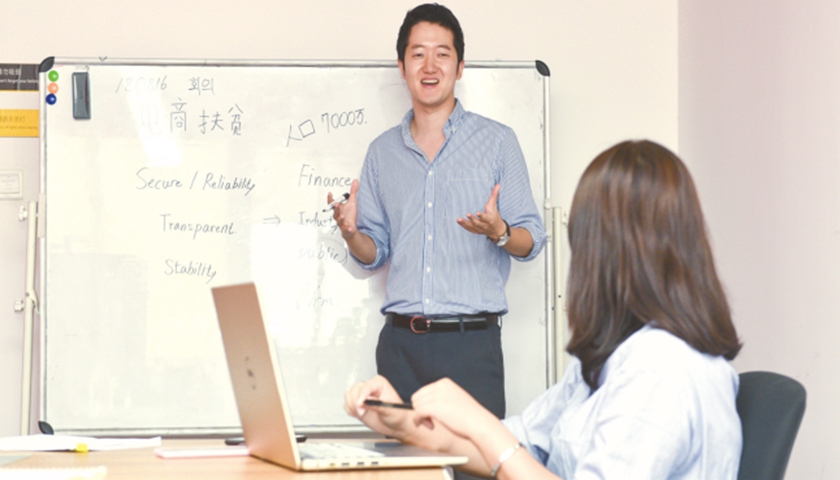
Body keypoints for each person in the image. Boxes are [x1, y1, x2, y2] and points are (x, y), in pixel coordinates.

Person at [344, 140, 744, 479]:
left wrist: (478, 422)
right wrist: (403, 422)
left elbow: (499, 446)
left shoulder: (662, 368)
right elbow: (518, 445)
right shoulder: (609, 360)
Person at [329, 3, 546, 420]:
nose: (429, 66)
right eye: (418, 54)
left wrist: (500, 231)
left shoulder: (498, 142)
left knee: (473, 458)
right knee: (401, 459)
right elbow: (375, 255)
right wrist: (352, 234)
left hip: (471, 347)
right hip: (400, 349)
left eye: (442, 54)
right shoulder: (382, 152)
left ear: (459, 67)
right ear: (402, 66)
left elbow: (532, 241)